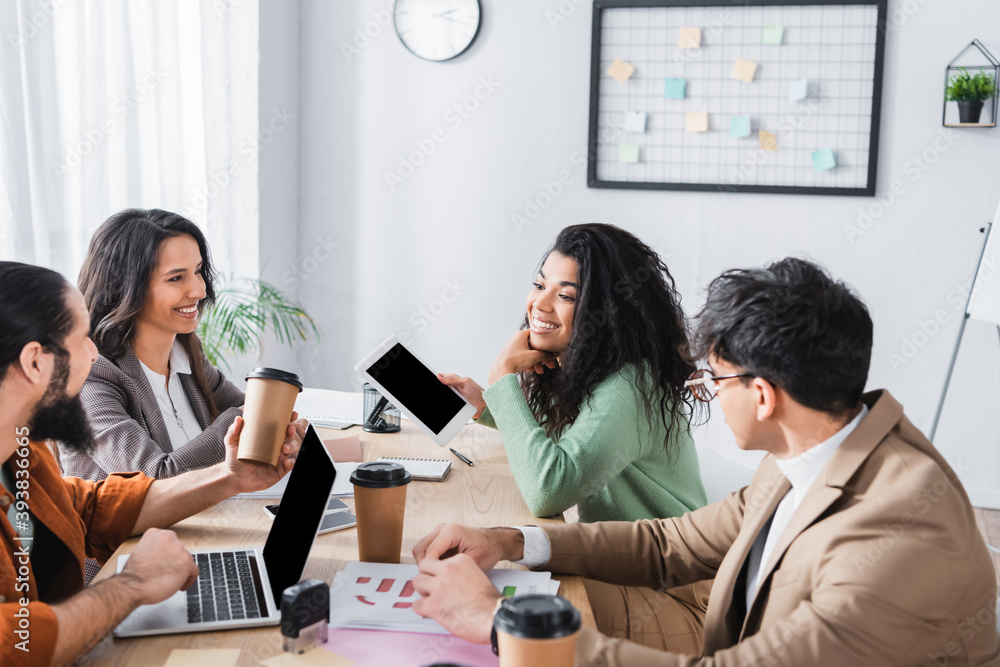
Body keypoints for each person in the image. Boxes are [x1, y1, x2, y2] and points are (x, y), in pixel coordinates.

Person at [410, 258, 1000, 665]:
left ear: (764, 395)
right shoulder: (811, 445)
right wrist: (512, 541)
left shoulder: (899, 532)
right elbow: (674, 546)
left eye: (715, 376)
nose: (706, 390)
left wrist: (501, 624)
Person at [0, 261, 305, 666]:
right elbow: (14, 645)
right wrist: (133, 584)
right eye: (80, 340)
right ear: (35, 361)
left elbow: (87, 508)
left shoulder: (22, 446)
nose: (93, 355)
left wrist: (231, 476)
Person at [439, 224, 707, 524]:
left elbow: (547, 491)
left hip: (662, 565)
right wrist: (487, 405)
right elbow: (579, 438)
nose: (539, 304)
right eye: (540, 286)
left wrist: (504, 380)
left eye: (565, 296)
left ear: (607, 312)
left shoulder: (626, 386)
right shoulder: (603, 368)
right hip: (628, 555)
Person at [62, 209, 244, 482]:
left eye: (197, 271)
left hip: (206, 519)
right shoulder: (89, 378)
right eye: (176, 278)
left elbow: (245, 405)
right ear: (124, 287)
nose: (199, 291)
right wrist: (243, 421)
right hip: (135, 527)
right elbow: (154, 478)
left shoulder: (184, 353)